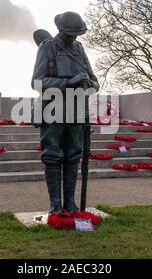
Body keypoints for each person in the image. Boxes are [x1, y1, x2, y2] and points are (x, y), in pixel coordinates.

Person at [31, 11, 99, 213]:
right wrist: (68, 82)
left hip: (77, 110)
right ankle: (55, 205)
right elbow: (37, 82)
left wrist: (89, 84)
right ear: (60, 30)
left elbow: (95, 82)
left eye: (76, 33)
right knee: (52, 156)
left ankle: (70, 202)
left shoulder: (79, 49)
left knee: (73, 156)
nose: (74, 37)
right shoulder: (47, 48)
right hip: (53, 110)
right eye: (71, 33)